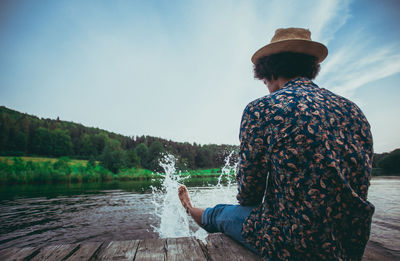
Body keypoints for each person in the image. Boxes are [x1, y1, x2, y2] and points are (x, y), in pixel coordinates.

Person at [178, 27, 375, 260]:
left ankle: (192, 210)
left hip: (295, 245)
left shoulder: (262, 108)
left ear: (268, 70)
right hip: (351, 242)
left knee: (221, 213)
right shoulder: (353, 110)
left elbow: (249, 194)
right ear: (310, 68)